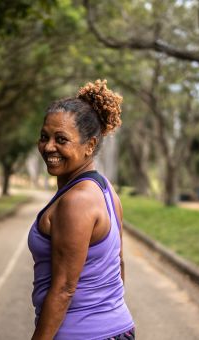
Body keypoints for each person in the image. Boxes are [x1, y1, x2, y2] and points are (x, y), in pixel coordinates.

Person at [28, 79, 135, 340]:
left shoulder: (77, 201)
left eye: (61, 139)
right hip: (116, 328)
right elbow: (118, 263)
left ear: (90, 145)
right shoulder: (105, 189)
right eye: (45, 137)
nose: (49, 147)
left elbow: (64, 288)